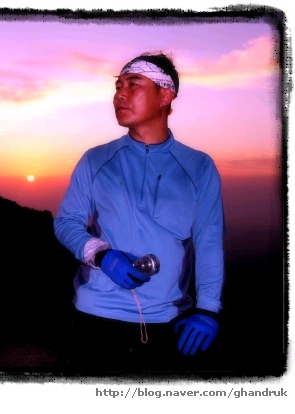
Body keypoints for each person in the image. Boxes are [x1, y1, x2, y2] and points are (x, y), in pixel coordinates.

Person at [54, 52, 225, 374]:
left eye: (133, 84)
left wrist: (208, 310)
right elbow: (67, 221)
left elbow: (209, 242)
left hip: (168, 320)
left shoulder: (199, 167)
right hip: (96, 316)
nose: (120, 95)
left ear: (165, 94)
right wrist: (101, 254)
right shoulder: (96, 159)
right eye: (118, 86)